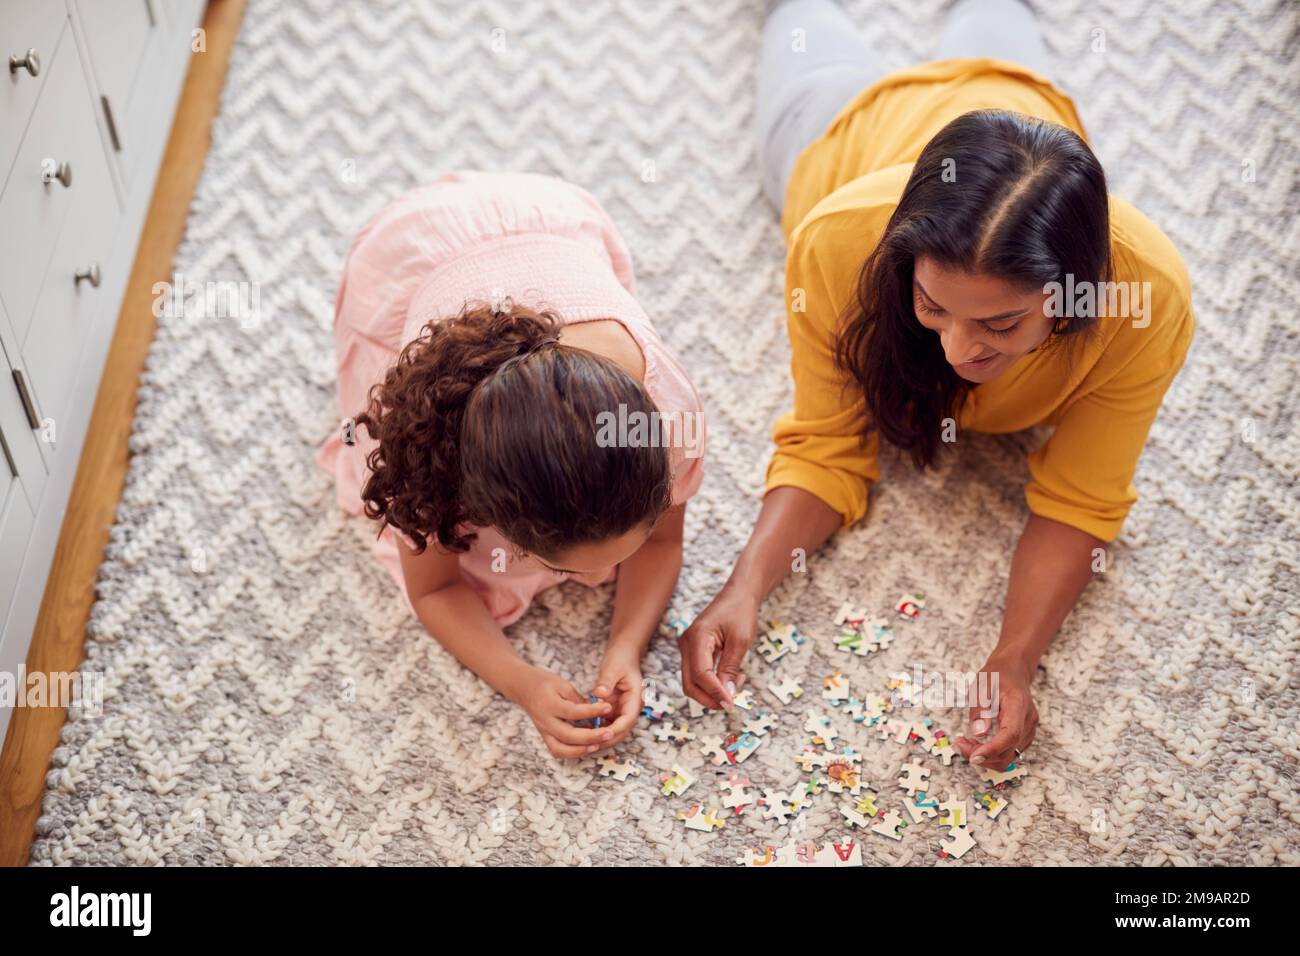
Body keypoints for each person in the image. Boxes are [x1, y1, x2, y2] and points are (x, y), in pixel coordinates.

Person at [679, 0, 1193, 773]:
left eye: (1000, 324)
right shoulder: (838, 240)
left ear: (1073, 293)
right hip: (846, 122)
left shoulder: (1145, 300)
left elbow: (1082, 499)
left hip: (1007, 94)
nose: (956, 348)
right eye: (931, 306)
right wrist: (743, 586)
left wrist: (1013, 658)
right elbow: (827, 449)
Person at [318, 171, 707, 759]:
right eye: (563, 566)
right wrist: (522, 683)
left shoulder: (665, 411)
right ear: (492, 517)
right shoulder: (425, 443)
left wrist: (625, 647)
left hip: (551, 219)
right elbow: (436, 591)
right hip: (410, 250)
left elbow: (661, 546)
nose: (587, 581)